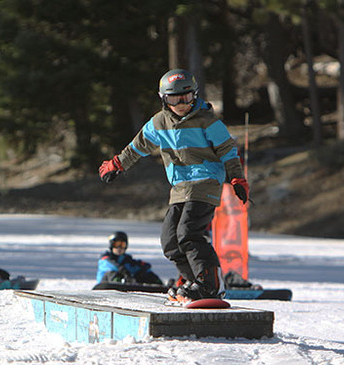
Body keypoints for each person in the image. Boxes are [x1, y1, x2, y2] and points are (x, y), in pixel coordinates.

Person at [98, 69, 249, 303]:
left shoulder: (208, 121)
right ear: (163, 99)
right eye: (174, 99)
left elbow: (228, 151)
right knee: (169, 241)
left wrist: (237, 178)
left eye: (186, 97)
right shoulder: (159, 123)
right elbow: (137, 147)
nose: (181, 104)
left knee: (188, 233)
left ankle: (211, 283)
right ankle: (194, 282)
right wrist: (117, 164)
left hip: (205, 181)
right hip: (180, 186)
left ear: (194, 95)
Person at [96, 231, 163, 285]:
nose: (119, 248)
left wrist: (144, 268)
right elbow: (111, 265)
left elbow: (135, 266)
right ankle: (117, 284)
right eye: (116, 245)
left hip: (125, 284)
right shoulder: (105, 258)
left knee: (144, 274)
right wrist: (122, 270)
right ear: (111, 245)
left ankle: (159, 285)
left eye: (122, 245)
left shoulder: (127, 260)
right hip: (105, 284)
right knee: (113, 274)